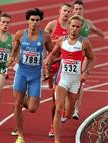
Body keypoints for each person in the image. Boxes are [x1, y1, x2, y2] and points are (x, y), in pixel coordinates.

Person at [45, 15, 96, 143]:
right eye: (72, 26)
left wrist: (86, 73)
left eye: (77, 27)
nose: (74, 29)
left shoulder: (84, 42)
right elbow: (53, 55)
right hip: (62, 79)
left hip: (75, 81)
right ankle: (57, 140)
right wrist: (48, 63)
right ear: (68, 26)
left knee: (68, 114)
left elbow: (92, 58)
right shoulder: (61, 41)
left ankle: (67, 110)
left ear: (80, 29)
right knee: (58, 107)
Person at [8, 8, 53, 143]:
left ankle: (25, 98)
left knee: (33, 108)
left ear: (40, 21)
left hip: (35, 75)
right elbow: (14, 50)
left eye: (37, 20)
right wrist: (12, 58)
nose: (34, 23)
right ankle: (20, 135)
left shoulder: (45, 36)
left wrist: (47, 62)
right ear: (28, 20)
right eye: (32, 20)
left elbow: (53, 52)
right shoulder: (20, 34)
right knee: (17, 104)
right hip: (21, 72)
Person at [72, 0, 108, 120]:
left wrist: (105, 36)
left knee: (80, 83)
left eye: (80, 9)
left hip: (83, 56)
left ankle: (76, 109)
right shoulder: (70, 22)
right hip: (70, 56)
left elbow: (96, 30)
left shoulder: (87, 23)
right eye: (76, 9)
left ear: (83, 10)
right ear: (73, 10)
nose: (78, 11)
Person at [44, 3, 72, 137]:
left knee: (62, 96)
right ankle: (53, 125)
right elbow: (43, 40)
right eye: (64, 10)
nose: (66, 13)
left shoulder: (72, 28)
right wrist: (47, 61)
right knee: (55, 100)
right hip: (54, 65)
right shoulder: (52, 25)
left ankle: (67, 110)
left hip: (66, 66)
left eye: (68, 11)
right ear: (59, 11)